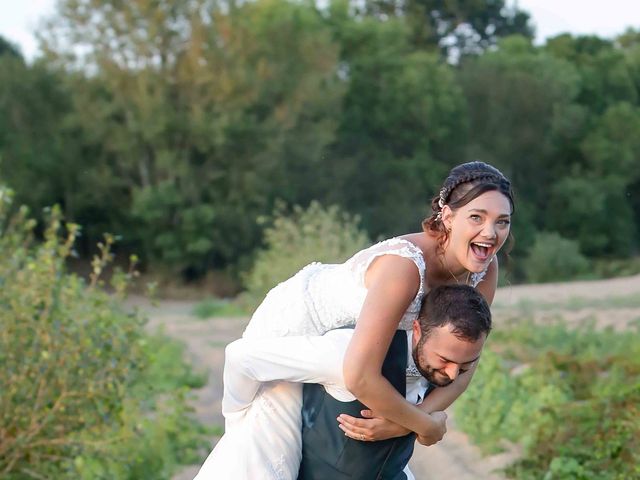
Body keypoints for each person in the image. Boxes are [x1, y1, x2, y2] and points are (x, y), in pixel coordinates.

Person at [195, 161, 514, 479]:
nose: (490, 232)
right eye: (477, 217)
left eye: (502, 222)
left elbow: (466, 359)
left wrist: (412, 419)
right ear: (447, 216)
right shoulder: (404, 269)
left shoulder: (485, 268)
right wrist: (423, 425)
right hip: (303, 325)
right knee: (272, 454)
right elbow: (359, 375)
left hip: (365, 344)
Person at [194, 285, 492, 480]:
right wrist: (236, 422)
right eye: (445, 360)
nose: (453, 375)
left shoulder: (442, 365)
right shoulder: (343, 354)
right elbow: (240, 357)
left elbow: (427, 435)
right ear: (417, 330)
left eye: (465, 365)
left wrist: (427, 421)